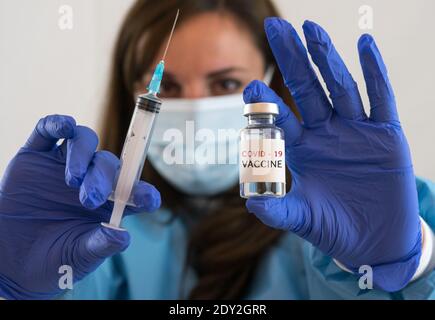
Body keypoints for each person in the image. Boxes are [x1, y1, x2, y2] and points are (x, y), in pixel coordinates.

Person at [0, 0, 434, 300]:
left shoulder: (371, 204)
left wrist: (409, 266)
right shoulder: (93, 229)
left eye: (226, 84)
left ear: (272, 83)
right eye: (167, 86)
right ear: (132, 96)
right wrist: (16, 287)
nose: (195, 110)